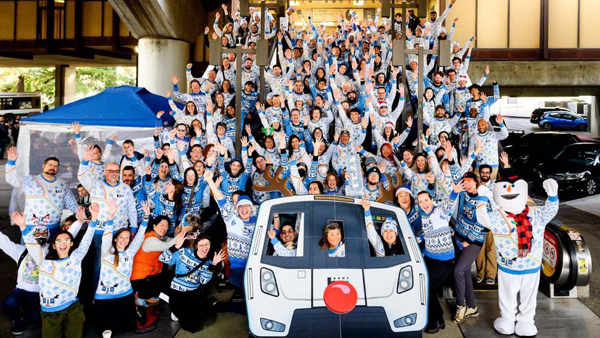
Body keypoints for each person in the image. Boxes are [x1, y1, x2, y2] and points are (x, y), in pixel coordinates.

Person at [20, 202, 99, 338]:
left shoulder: (76, 257)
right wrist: (23, 226)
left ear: (72, 243)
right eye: (59, 241)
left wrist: (94, 219)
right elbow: (31, 245)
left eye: (66, 240)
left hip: (73, 309)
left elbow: (86, 239)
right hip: (51, 313)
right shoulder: (44, 261)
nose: (63, 243)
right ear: (54, 246)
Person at [94, 201, 150, 338]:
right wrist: (111, 216)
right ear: (115, 239)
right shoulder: (107, 251)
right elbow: (107, 235)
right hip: (104, 296)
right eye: (121, 237)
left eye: (127, 238)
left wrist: (146, 216)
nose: (124, 240)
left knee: (129, 326)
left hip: (125, 293)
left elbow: (139, 237)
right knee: (107, 329)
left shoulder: (130, 252)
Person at [416, 183, 461, 333]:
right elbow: (429, 231)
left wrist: (454, 193)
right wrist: (420, 238)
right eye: (420, 201)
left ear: (431, 200)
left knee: (427, 289)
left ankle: (436, 320)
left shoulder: (440, 212)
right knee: (424, 287)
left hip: (444, 261)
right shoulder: (424, 215)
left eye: (426, 200)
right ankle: (438, 317)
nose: (424, 204)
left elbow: (448, 204)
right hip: (429, 257)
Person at [6, 147, 78, 238]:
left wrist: (80, 213)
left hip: (53, 228)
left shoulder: (63, 184)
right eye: (50, 165)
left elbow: (72, 204)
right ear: (43, 166)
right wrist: (11, 162)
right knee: (29, 251)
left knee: (51, 252)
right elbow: (12, 179)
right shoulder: (31, 180)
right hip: (30, 227)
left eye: (56, 166)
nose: (53, 167)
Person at [160, 233, 224, 332]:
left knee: (209, 320)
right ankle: (173, 307)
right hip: (177, 293)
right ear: (196, 246)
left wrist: (214, 264)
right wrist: (176, 246)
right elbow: (163, 258)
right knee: (193, 327)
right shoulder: (184, 252)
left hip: (193, 293)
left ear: (210, 245)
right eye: (201, 245)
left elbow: (203, 281)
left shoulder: (209, 262)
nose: (204, 248)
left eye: (207, 244)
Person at [452, 172, 493, 324]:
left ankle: (461, 305)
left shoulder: (484, 198)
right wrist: (450, 157)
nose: (467, 184)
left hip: (473, 241)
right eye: (465, 182)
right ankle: (472, 306)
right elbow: (455, 172)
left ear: (476, 182)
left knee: (458, 270)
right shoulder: (463, 193)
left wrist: (469, 239)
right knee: (465, 272)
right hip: (459, 237)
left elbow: (484, 223)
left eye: (469, 182)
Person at [204, 170, 255, 290]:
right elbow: (222, 201)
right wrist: (210, 181)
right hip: (237, 270)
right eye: (240, 206)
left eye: (246, 206)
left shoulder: (258, 221)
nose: (243, 209)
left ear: (251, 207)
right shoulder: (232, 220)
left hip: (255, 266)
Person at [130, 216, 180, 333]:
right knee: (166, 290)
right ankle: (174, 310)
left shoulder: (158, 238)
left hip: (149, 277)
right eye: (162, 225)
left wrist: (177, 235)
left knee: (169, 282)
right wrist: (181, 236)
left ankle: (155, 305)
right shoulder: (149, 240)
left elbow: (168, 241)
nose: (165, 228)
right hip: (141, 280)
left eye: (167, 226)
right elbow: (166, 246)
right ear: (154, 226)